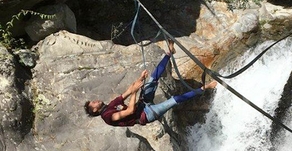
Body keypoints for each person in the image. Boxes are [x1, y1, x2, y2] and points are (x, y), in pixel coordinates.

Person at [84, 41, 217, 126]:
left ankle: (169, 53)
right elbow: (130, 111)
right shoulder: (108, 117)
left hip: (142, 105)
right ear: (95, 110)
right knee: (174, 100)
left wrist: (140, 79)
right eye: (93, 103)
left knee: (153, 78)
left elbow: (129, 91)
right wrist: (135, 92)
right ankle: (205, 87)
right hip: (146, 114)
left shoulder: (110, 105)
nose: (95, 101)